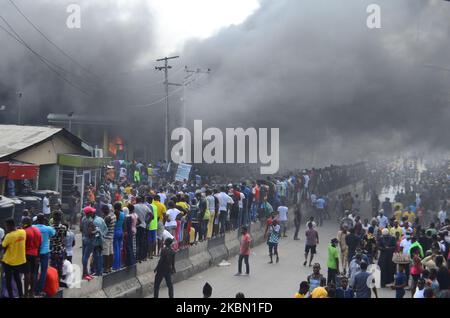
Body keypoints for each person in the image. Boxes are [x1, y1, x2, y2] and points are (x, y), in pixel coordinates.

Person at [1, 218, 26, 298]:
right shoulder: (23, 232)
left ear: (10, 226)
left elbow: (3, 246)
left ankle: (11, 296)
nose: (6, 228)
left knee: (8, 280)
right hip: (19, 260)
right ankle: (21, 295)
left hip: (8, 261)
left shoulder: (9, 236)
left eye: (7, 226)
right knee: (17, 279)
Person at [34, 214, 56, 296]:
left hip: (35, 253)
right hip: (45, 252)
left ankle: (34, 288)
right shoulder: (48, 228)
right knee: (43, 271)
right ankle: (40, 289)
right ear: (44, 220)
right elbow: (53, 233)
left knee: (35, 271)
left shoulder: (33, 227)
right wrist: (47, 223)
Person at [22, 216, 41, 298]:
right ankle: (32, 293)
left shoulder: (24, 232)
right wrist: (38, 256)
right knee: (33, 274)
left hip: (27, 254)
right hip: (35, 254)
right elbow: (40, 244)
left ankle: (26, 293)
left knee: (27, 274)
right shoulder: (37, 231)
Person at [50, 211, 67, 279]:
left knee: (52, 267)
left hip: (52, 250)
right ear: (60, 218)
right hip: (60, 249)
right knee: (60, 266)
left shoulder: (50, 228)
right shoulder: (64, 227)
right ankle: (58, 281)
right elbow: (64, 238)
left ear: (53, 219)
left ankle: (53, 281)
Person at [103, 204, 116, 274]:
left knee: (106, 254)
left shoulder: (107, 218)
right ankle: (110, 267)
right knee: (111, 252)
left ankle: (106, 268)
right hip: (111, 236)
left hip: (106, 237)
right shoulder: (113, 215)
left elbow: (104, 228)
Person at [113, 202, 125, 270]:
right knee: (119, 249)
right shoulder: (123, 214)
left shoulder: (116, 214)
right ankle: (119, 264)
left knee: (115, 249)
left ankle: (115, 265)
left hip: (115, 231)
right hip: (121, 231)